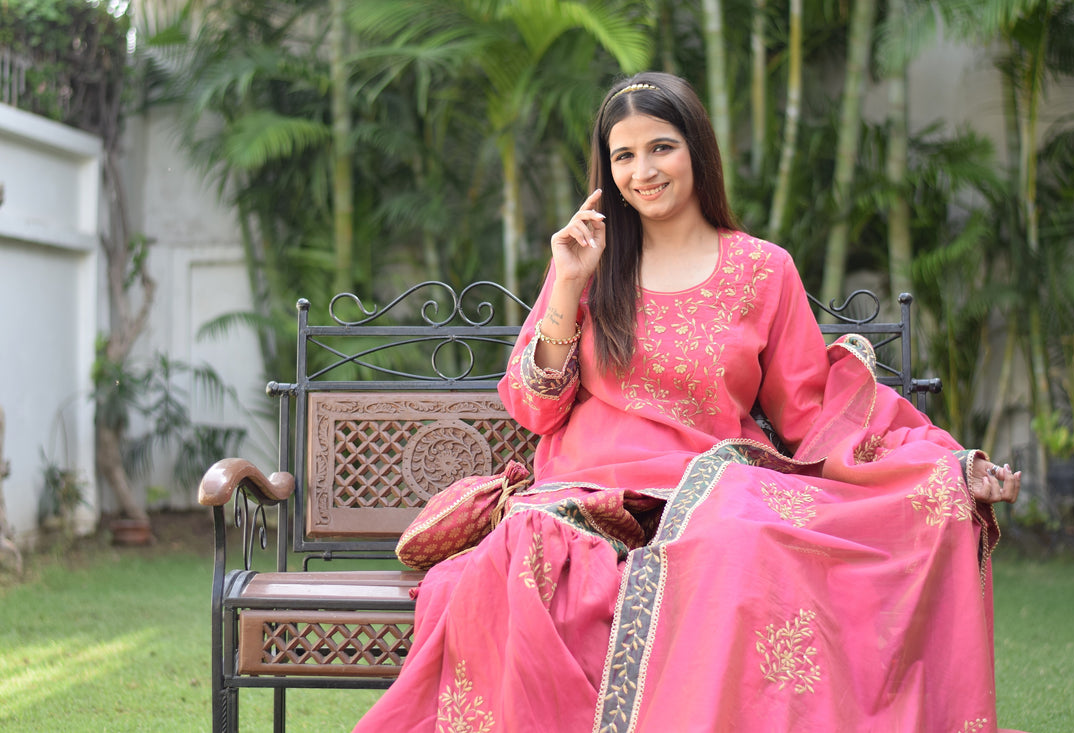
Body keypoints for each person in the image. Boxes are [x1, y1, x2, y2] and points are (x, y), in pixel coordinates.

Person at [353, 71, 1023, 732]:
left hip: (707, 499)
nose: (642, 170)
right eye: (624, 154)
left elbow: (813, 414)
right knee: (528, 559)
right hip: (583, 500)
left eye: (660, 147)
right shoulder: (592, 263)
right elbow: (535, 408)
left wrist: (945, 468)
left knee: (743, 538)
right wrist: (566, 284)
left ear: (697, 149)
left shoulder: (764, 269)